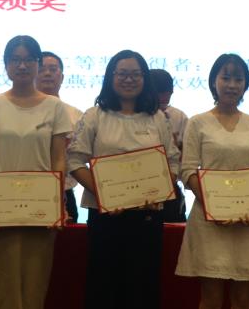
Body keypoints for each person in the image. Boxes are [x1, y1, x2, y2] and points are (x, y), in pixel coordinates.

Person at [68, 51, 181, 309]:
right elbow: (74, 160)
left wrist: (161, 190)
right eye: (122, 74)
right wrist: (104, 193)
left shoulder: (157, 118)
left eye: (135, 74)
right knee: (104, 288)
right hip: (105, 216)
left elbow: (173, 161)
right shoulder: (95, 115)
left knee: (142, 288)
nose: (129, 80)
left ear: (144, 79)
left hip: (147, 216)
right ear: (111, 77)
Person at [0, 35, 72, 309]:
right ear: (6, 65)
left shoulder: (54, 107)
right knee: (0, 286)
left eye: (29, 59)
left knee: (34, 285)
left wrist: (57, 201)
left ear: (38, 64)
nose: (22, 65)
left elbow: (58, 159)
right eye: (15, 60)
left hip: (40, 209)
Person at [176, 54, 249, 309]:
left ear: (245, 84)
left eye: (238, 79)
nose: (232, 85)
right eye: (226, 77)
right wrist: (215, 208)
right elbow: (188, 171)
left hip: (248, 222)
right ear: (213, 81)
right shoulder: (197, 122)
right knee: (211, 299)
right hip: (210, 222)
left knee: (243, 299)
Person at [36, 50, 84, 223]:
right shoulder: (19, 112)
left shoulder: (77, 115)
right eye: (42, 69)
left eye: (53, 69)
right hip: (26, 188)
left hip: (64, 193)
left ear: (62, 77)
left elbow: (80, 158)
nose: (47, 73)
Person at [152, 68, 188, 222]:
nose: (164, 99)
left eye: (168, 94)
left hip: (171, 188)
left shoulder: (179, 117)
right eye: (159, 94)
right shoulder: (136, 116)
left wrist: (176, 148)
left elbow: (188, 157)